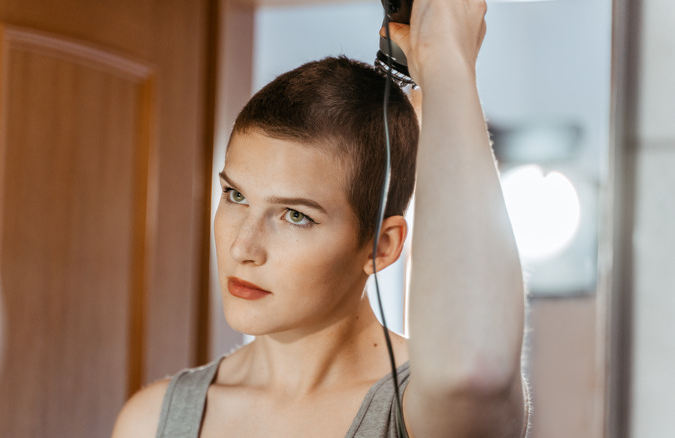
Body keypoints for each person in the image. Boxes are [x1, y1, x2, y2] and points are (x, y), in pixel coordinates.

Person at [114, 0, 529, 436]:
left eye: (295, 215)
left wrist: (446, 58)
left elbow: (471, 371)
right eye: (235, 195)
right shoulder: (151, 421)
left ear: (380, 246)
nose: (243, 248)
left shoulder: (416, 413)